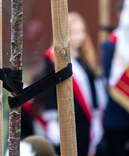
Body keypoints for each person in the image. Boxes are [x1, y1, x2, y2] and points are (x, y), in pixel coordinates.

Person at [42, 12, 106, 156]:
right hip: (64, 118)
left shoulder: (85, 59)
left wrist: (96, 117)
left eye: (82, 31)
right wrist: (52, 121)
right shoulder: (53, 58)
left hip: (84, 119)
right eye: (75, 32)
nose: (80, 36)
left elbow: (92, 89)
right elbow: (49, 89)